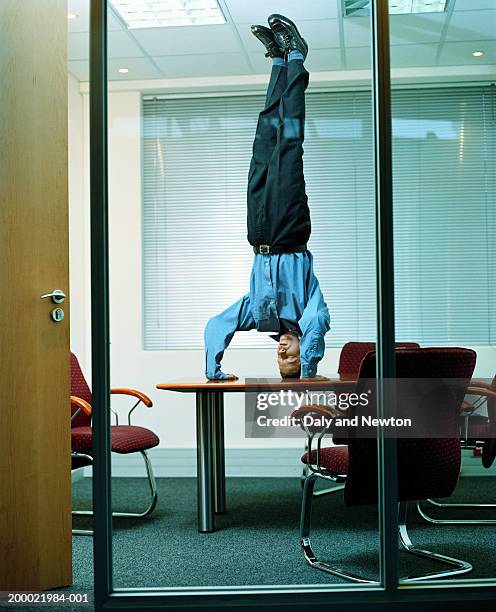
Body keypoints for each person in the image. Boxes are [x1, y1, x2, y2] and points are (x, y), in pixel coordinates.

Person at [204, 14, 330, 381]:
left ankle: (277, 59)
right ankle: (296, 59)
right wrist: (306, 370)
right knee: (288, 140)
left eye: (280, 361)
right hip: (289, 230)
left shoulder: (260, 318)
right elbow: (317, 328)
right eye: (289, 358)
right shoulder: (310, 311)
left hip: (258, 235)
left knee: (264, 142)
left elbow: (217, 324)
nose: (282, 353)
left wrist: (214, 370)